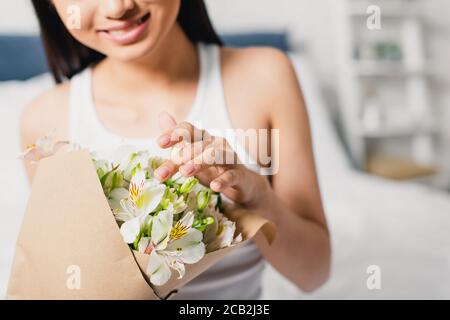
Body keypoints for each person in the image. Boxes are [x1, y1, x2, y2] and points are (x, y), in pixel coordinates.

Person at [22, 0, 330, 299]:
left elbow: (313, 274)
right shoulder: (44, 124)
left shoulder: (265, 76)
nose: (117, 8)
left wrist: (258, 199)